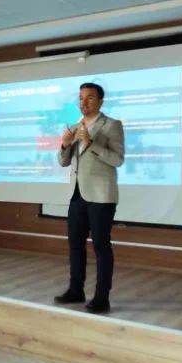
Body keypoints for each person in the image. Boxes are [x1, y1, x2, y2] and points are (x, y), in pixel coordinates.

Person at [55, 83, 125, 314]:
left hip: (101, 196)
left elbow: (118, 159)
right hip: (77, 195)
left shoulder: (112, 125)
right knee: (75, 245)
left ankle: (102, 297)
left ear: (100, 102)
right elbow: (63, 162)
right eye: (81, 98)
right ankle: (76, 290)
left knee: (101, 246)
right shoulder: (75, 127)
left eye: (90, 98)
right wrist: (65, 145)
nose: (83, 102)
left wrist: (91, 144)